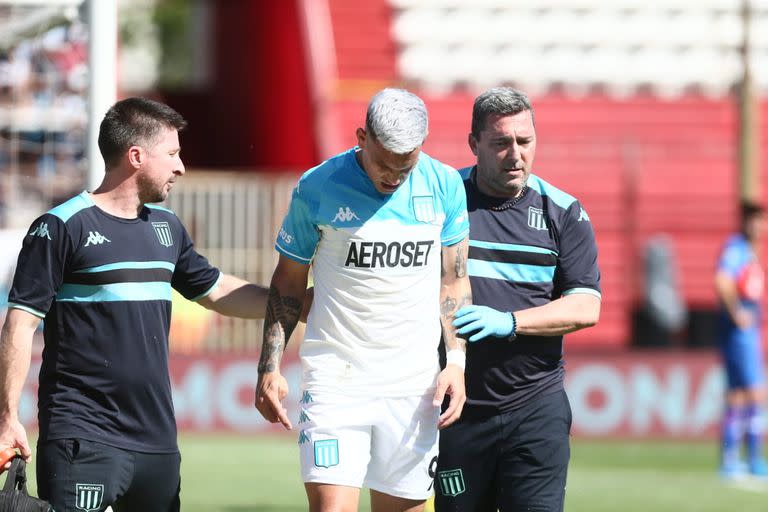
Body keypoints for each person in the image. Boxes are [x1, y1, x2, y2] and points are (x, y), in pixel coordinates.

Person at [0, 97, 271, 512]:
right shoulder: (61, 227)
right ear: (136, 156)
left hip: (157, 442)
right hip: (83, 435)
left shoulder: (167, 228)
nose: (181, 167)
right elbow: (19, 325)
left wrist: (296, 302)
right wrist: (7, 418)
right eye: (173, 154)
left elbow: (216, 290)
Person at [254, 88, 471, 512]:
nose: (392, 177)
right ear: (361, 138)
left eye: (404, 168)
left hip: (414, 385)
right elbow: (288, 283)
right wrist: (269, 367)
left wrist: (457, 363)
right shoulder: (318, 186)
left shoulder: (445, 185)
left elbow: (454, 282)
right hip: (336, 379)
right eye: (383, 164)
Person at [434, 87, 601, 512]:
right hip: (455, 410)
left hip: (534, 408)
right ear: (474, 145)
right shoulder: (439, 199)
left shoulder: (563, 212)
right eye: (501, 143)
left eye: (524, 142)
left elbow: (586, 305)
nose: (515, 155)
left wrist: (510, 321)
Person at [714, 200, 768, 478]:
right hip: (741, 333)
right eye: (754, 220)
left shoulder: (747, 250)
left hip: (743, 331)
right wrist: (737, 312)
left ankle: (731, 458)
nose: (759, 226)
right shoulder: (736, 248)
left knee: (737, 394)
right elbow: (723, 280)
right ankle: (754, 459)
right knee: (755, 392)